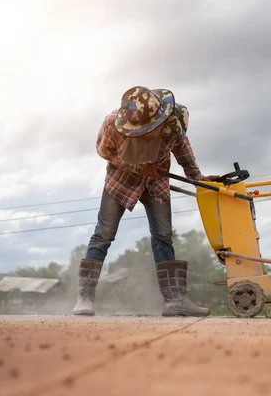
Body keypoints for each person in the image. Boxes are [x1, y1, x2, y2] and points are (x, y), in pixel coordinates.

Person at [72, 86, 219, 317]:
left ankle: (175, 301)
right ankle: (84, 298)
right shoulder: (112, 123)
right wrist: (139, 166)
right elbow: (104, 152)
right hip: (120, 181)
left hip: (155, 183)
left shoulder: (172, 121)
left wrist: (197, 179)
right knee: (103, 235)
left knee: (163, 237)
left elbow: (183, 149)